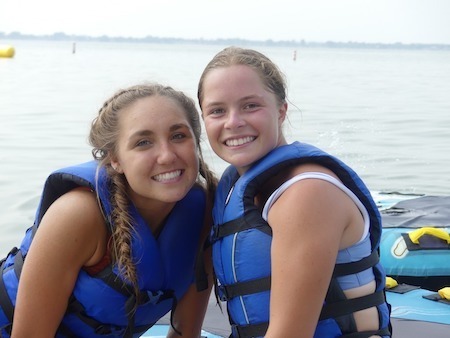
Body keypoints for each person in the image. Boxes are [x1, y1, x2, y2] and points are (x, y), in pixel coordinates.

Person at [197, 47, 392, 338]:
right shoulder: (232, 187)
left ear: (281, 110)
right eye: (217, 111)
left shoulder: (307, 193)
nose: (233, 122)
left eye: (250, 106)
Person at [0, 83, 217, 337]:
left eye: (178, 135)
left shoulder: (202, 214)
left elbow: (186, 332)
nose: (167, 156)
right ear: (115, 159)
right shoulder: (77, 215)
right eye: (143, 142)